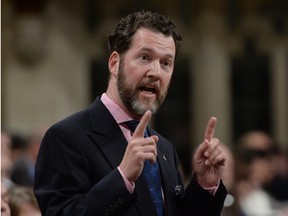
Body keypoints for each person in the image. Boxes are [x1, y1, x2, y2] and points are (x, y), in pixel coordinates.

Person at [34, 10, 227, 216]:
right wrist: (122, 178)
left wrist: (205, 184)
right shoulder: (66, 137)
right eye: (145, 57)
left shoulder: (164, 148)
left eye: (166, 63)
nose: (155, 72)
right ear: (114, 63)